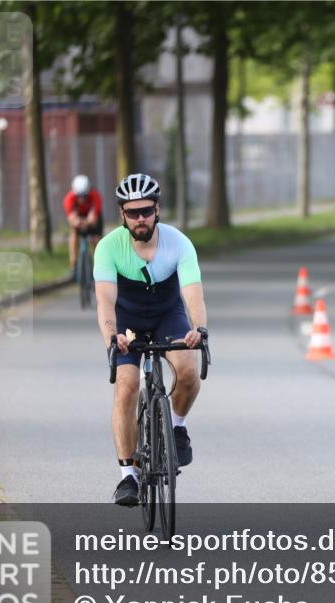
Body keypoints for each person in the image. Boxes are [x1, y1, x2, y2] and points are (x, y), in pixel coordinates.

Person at [93, 173, 209, 507]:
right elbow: (104, 300)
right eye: (133, 212)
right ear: (123, 215)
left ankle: (176, 425)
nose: (140, 218)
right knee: (127, 386)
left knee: (187, 371)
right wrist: (112, 336)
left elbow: (193, 295)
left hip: (166, 315)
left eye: (146, 210)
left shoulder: (178, 243)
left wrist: (198, 330)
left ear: (157, 209)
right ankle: (128, 476)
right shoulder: (108, 247)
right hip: (126, 321)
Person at [65, 175, 104, 277]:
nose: (81, 199)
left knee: (96, 240)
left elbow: (93, 218)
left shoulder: (95, 196)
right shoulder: (69, 198)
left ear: (89, 191)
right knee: (73, 237)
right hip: (78, 216)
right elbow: (71, 218)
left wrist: (88, 223)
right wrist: (77, 222)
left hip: (93, 217)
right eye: (79, 196)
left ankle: (99, 266)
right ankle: (73, 265)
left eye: (84, 196)